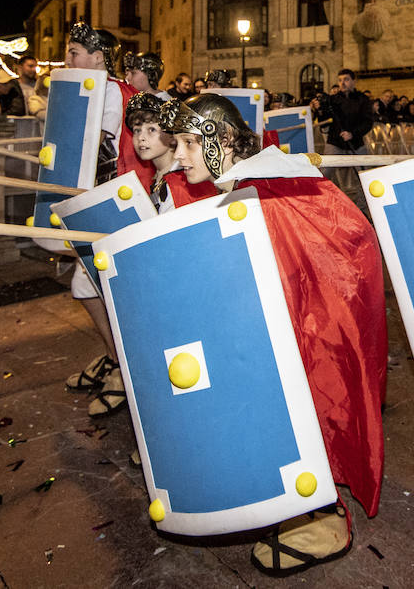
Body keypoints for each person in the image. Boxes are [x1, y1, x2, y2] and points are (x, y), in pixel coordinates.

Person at [161, 93, 386, 575]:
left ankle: (325, 518)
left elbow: (345, 245)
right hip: (267, 333)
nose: (177, 156)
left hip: (306, 336)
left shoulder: (275, 181)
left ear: (221, 139)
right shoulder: (244, 180)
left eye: (185, 143)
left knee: (310, 408)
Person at [61, 22, 152, 416]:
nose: (68, 60)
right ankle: (115, 358)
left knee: (89, 284)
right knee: (91, 285)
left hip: (115, 201)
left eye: (74, 52)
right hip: (104, 199)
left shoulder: (111, 92)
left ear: (97, 58)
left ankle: (123, 366)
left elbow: (91, 150)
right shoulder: (99, 91)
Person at [323, 69, 374, 207]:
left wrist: (353, 133)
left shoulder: (363, 99)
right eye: (340, 80)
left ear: (353, 81)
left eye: (346, 79)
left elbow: (368, 122)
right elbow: (324, 116)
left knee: (365, 174)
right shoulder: (333, 99)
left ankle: (361, 206)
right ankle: (321, 202)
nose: (342, 83)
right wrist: (318, 107)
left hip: (356, 143)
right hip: (335, 142)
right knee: (324, 172)